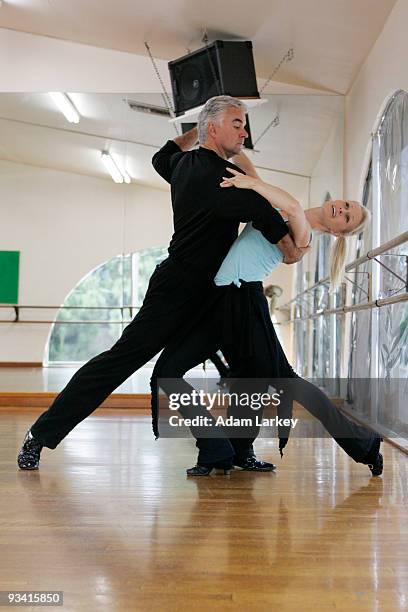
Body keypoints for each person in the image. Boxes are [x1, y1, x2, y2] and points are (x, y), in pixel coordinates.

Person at [17, 96, 304, 471]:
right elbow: (288, 246)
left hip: (216, 293)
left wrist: (199, 130)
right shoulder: (225, 183)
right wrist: (299, 226)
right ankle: (40, 435)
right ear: (214, 129)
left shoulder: (183, 165)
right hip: (179, 291)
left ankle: (236, 451)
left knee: (247, 364)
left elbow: (160, 157)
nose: (245, 131)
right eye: (237, 123)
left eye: (244, 124)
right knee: (121, 360)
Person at [150, 155, 383, 477]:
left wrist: (253, 182)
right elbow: (249, 168)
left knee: (283, 380)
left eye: (346, 217)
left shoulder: (303, 236)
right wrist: (233, 149)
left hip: (245, 300)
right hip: (219, 299)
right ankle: (223, 448)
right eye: (345, 205)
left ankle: (363, 444)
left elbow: (293, 208)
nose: (341, 210)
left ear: (338, 232)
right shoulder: (274, 204)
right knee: (171, 371)